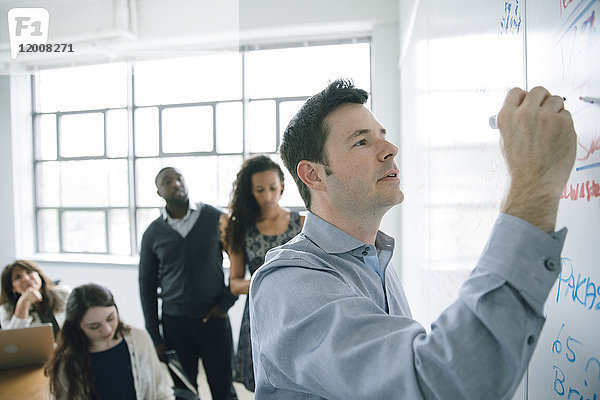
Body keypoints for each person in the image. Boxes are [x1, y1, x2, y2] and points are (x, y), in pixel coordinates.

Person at [249, 79, 576, 399]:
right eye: (362, 142)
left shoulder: (375, 259)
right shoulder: (290, 282)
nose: (390, 150)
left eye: (383, 137)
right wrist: (534, 184)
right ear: (314, 175)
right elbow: (439, 383)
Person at [139, 166, 238, 400]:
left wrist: (225, 303)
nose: (175, 183)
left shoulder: (215, 218)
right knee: (184, 392)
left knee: (224, 391)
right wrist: (155, 336)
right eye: (167, 181)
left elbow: (239, 263)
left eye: (178, 178)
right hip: (175, 326)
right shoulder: (153, 233)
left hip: (214, 322)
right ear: (158, 192)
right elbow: (146, 285)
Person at [223, 155, 305, 391]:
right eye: (260, 190)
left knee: (299, 381)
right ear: (250, 191)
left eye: (272, 188)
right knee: (265, 384)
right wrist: (267, 280)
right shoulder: (240, 228)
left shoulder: (300, 222)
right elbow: (235, 284)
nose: (267, 196)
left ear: (282, 187)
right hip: (259, 315)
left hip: (296, 312)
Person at [44, 283, 173, 400]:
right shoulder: (67, 359)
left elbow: (160, 389)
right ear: (77, 326)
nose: (107, 330)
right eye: (94, 326)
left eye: (110, 318)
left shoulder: (138, 339)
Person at [0, 260, 70, 338]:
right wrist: (24, 302)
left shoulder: (64, 294)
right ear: (12, 288)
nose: (26, 278)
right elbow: (13, 341)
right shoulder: (6, 310)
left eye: (29, 272)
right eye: (18, 277)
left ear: (39, 274)